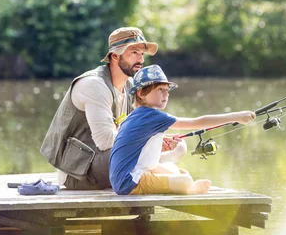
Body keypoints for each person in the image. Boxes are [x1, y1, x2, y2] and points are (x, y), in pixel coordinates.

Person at [40, 27, 181, 190]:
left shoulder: (130, 87)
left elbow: (132, 129)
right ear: (115, 56)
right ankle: (163, 175)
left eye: (142, 53)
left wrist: (154, 137)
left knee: (180, 147)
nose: (141, 60)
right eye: (134, 52)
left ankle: (158, 173)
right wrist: (146, 139)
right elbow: (105, 140)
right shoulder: (94, 85)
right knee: (153, 153)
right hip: (79, 173)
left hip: (107, 161)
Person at [109, 65, 256, 195]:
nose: (166, 94)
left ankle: (186, 184)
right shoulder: (152, 115)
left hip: (126, 177)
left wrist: (163, 139)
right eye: (160, 90)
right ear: (141, 93)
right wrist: (236, 117)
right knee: (184, 180)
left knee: (175, 170)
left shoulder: (137, 115)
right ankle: (189, 189)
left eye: (167, 90)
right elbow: (197, 122)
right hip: (130, 182)